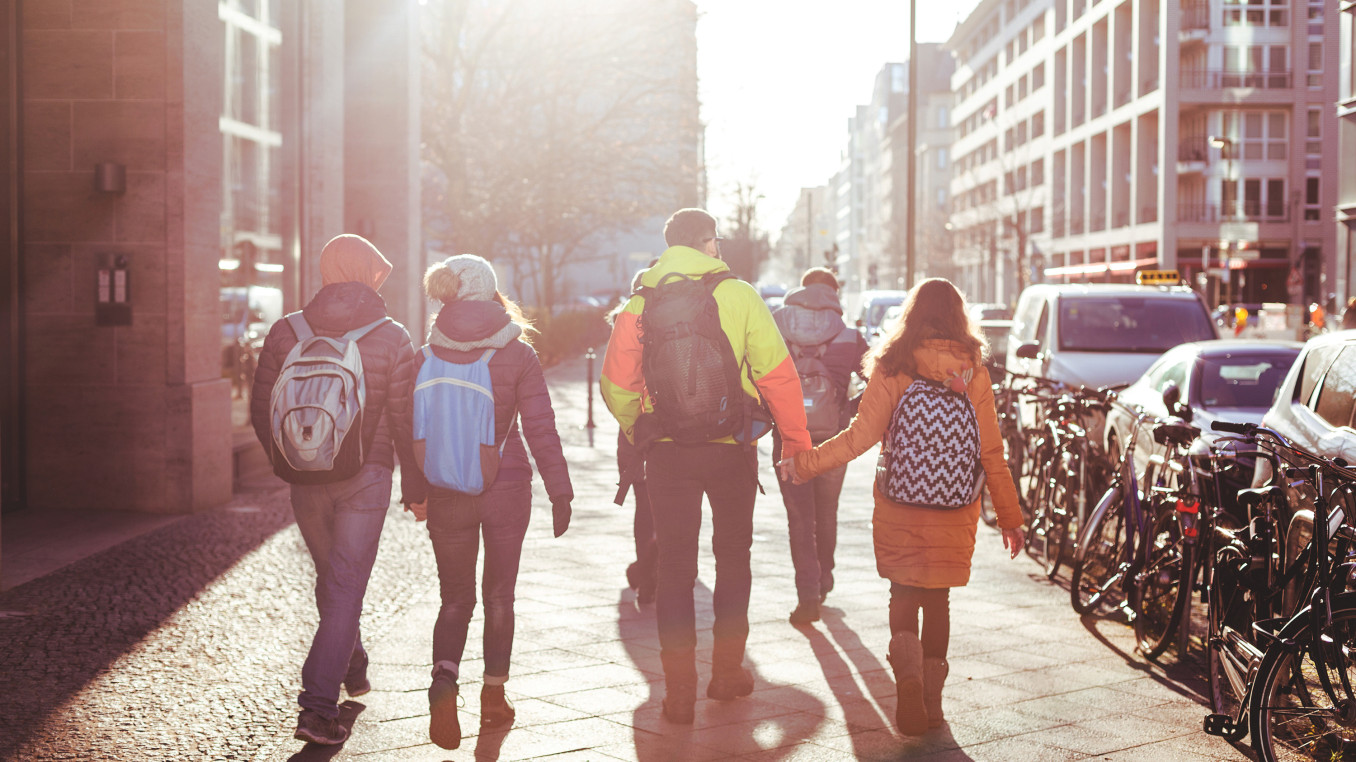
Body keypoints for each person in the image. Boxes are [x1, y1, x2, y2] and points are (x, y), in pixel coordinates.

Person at [776, 278, 1024, 735]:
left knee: (903, 594)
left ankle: (906, 680)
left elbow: (858, 439)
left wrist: (804, 464)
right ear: (958, 316)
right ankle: (931, 701)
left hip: (900, 505)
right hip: (955, 508)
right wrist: (1010, 518)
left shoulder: (892, 366)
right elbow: (992, 453)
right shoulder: (974, 371)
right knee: (939, 600)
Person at [600, 208, 811, 724]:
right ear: (705, 243)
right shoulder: (738, 294)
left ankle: (677, 692)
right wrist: (795, 440)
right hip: (730, 449)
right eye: (716, 240)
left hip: (668, 454)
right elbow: (777, 374)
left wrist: (641, 427)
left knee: (674, 567)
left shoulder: (639, 303)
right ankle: (726, 671)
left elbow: (614, 385)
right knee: (733, 558)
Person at [249, 234, 418, 746]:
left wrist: (292, 459)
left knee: (333, 581)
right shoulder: (392, 336)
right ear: (369, 273)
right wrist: (416, 483)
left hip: (305, 477)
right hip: (366, 475)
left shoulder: (286, 329)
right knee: (344, 587)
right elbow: (405, 417)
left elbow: (261, 409)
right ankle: (318, 709)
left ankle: (354, 660)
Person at [401, 254, 573, 750]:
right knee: (500, 597)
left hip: (446, 489)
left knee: (455, 598)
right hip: (506, 486)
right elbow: (540, 425)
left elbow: (408, 426)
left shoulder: (425, 352)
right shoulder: (516, 352)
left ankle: (443, 683)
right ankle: (493, 700)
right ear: (491, 291)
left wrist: (415, 490)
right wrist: (559, 490)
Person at [771, 267, 867, 624]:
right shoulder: (849, 335)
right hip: (833, 439)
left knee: (799, 519)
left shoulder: (776, 325)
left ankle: (807, 595)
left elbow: (751, 371)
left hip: (788, 439)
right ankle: (824, 577)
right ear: (834, 294)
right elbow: (878, 378)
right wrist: (848, 411)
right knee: (827, 511)